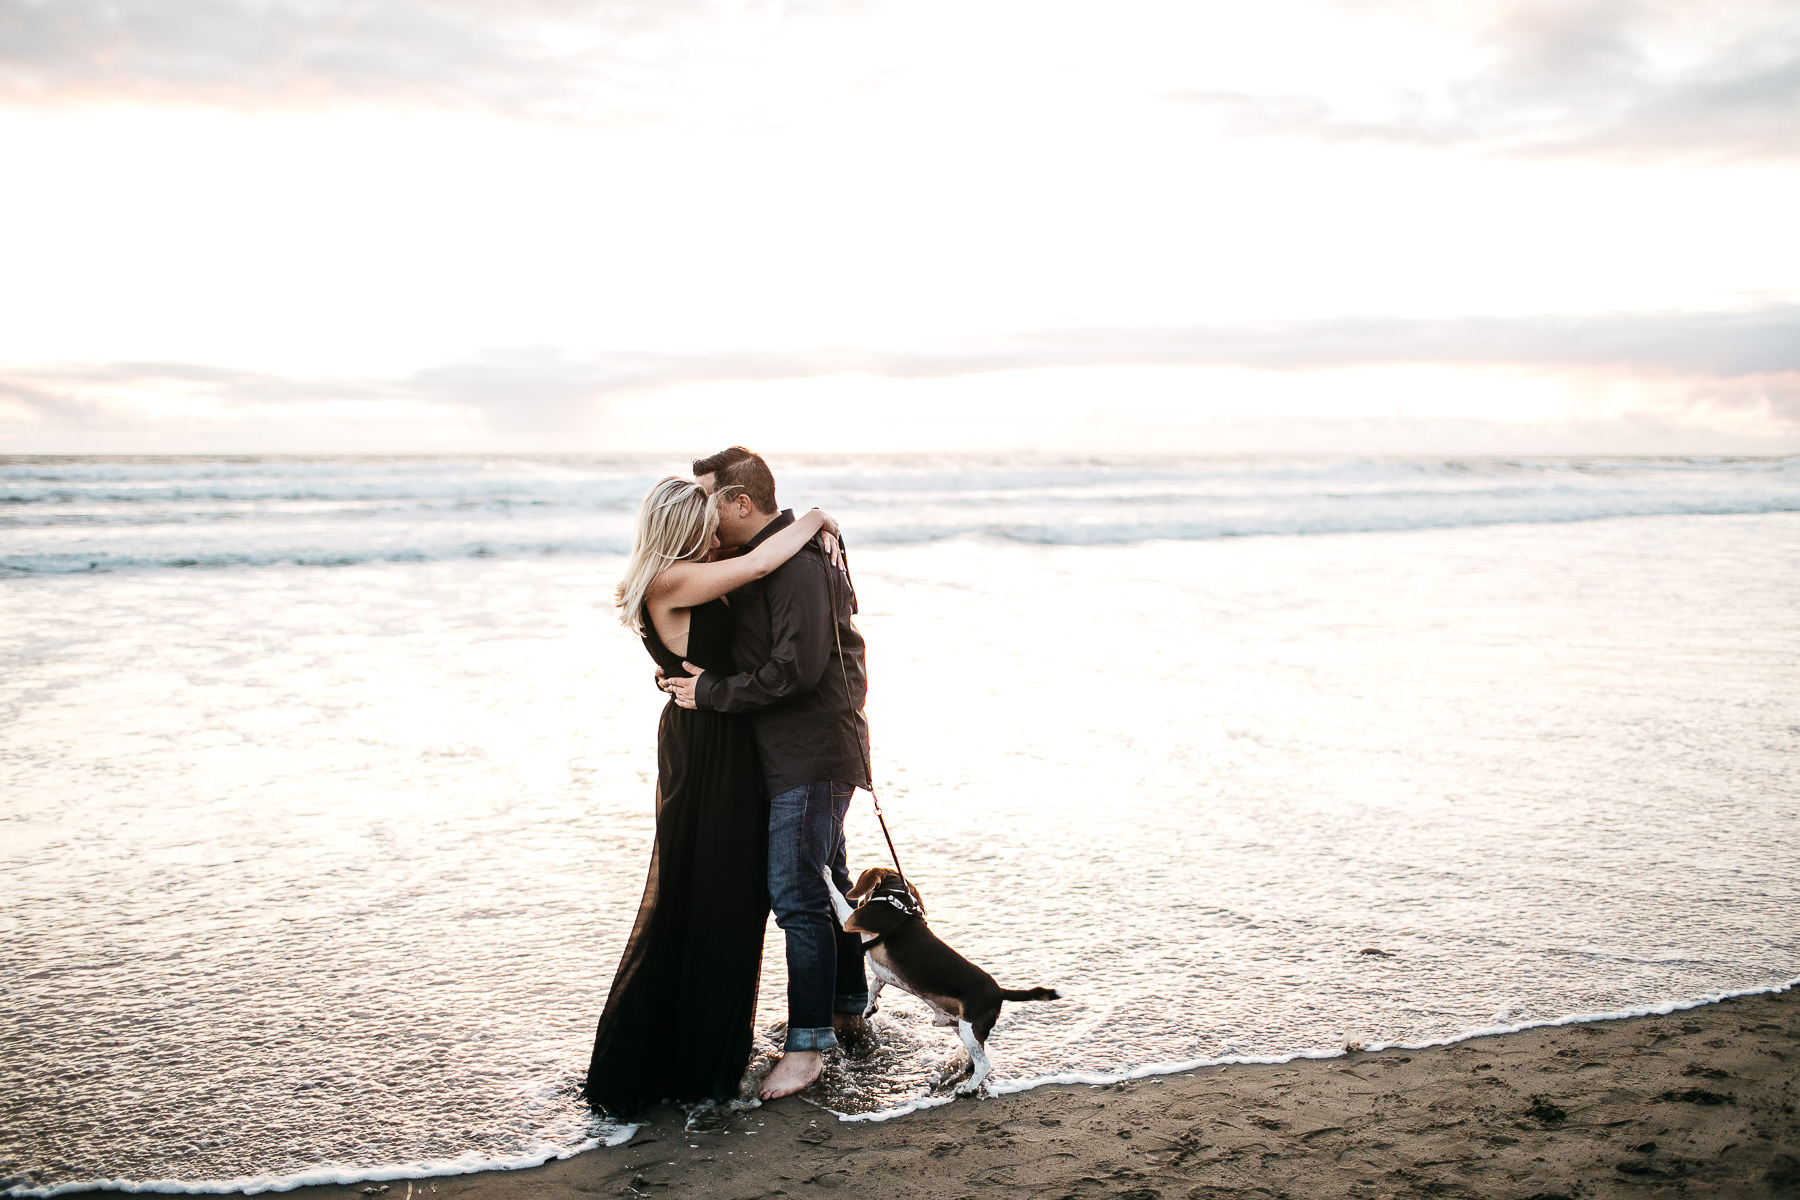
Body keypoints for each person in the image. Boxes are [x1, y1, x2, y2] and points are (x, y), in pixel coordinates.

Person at [583, 477, 838, 1119]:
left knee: (731, 894)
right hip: (706, 748)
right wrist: (817, 517)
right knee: (710, 895)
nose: (715, 533)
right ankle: (690, 1058)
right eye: (704, 523)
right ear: (681, 529)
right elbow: (758, 561)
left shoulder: (688, 574)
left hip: (721, 733)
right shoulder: (671, 578)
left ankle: (731, 1039)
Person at [664, 447, 873, 1101]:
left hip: (810, 751)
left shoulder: (797, 568)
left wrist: (714, 694)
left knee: (796, 896)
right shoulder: (767, 557)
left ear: (740, 503)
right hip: (795, 751)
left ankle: (808, 1050)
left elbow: (797, 670)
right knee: (829, 886)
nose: (701, 512)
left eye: (707, 499)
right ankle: (844, 1006)